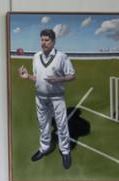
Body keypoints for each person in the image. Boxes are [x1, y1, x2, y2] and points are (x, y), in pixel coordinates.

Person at [18, 28, 76, 169]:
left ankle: (65, 151)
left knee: (61, 125)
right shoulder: (36, 56)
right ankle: (44, 148)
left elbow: (72, 75)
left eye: (47, 40)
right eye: (42, 39)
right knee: (43, 125)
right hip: (40, 97)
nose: (43, 43)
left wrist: (58, 79)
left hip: (57, 97)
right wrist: (27, 77)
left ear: (53, 41)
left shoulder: (62, 57)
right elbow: (37, 78)